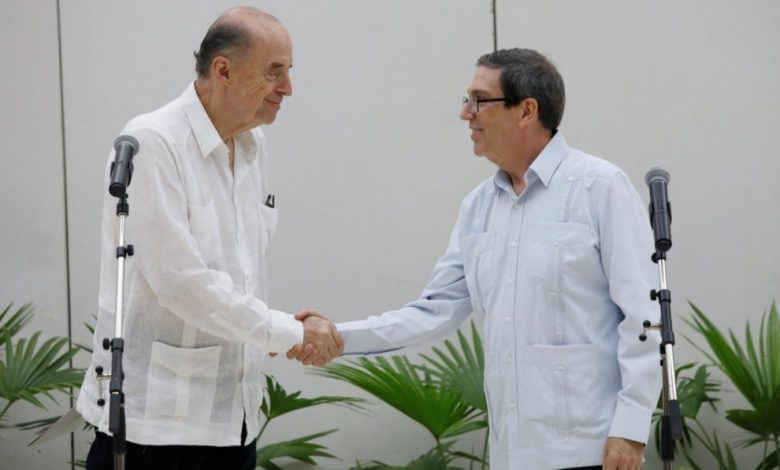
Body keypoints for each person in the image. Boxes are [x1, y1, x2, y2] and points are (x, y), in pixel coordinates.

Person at [293, 48, 661, 470]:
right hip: (510, 453)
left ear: (527, 111)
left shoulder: (601, 187)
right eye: (466, 100)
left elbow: (644, 317)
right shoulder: (478, 207)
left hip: (592, 450)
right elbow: (432, 311)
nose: (465, 114)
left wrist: (631, 427)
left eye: (479, 100)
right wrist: (338, 336)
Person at [76, 7, 343, 470]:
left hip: (236, 419)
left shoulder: (254, 146)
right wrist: (289, 331)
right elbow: (181, 283)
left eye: (288, 70)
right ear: (223, 70)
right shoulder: (153, 142)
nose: (288, 88)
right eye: (274, 71)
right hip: (155, 427)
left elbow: (239, 278)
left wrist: (284, 331)